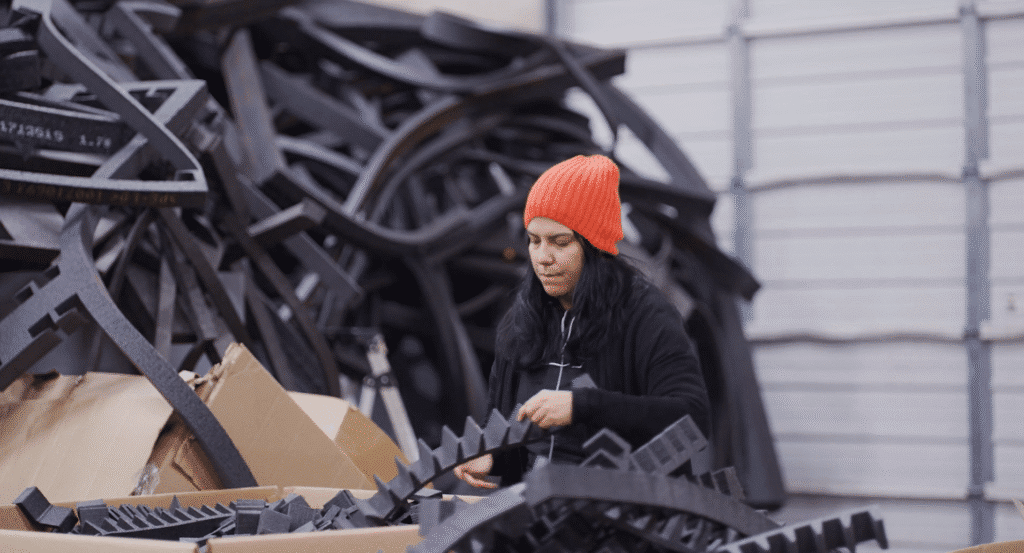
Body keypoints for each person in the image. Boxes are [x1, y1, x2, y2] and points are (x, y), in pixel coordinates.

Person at [453, 154, 711, 488]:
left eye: (560, 242)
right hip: (536, 508)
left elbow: (691, 418)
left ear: (595, 245)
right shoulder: (522, 320)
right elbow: (509, 430)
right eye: (534, 241)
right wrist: (490, 456)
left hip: (622, 508)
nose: (543, 258)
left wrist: (583, 406)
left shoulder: (646, 315)